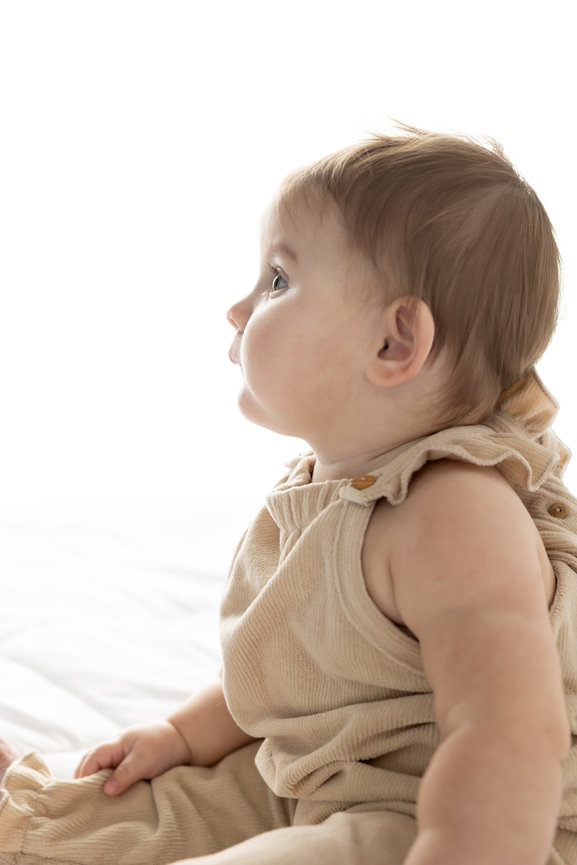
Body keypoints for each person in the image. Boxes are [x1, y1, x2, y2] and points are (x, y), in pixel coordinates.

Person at [1, 125, 576, 865]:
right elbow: (295, 670)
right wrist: (180, 736)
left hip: (454, 816)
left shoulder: (457, 512)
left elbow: (506, 729)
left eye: (276, 279)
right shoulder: (322, 488)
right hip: (320, 774)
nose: (238, 309)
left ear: (393, 343)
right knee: (148, 810)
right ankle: (29, 822)